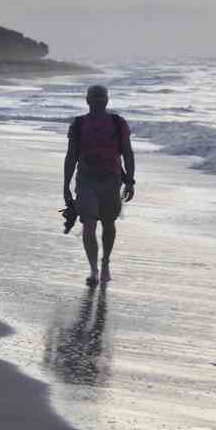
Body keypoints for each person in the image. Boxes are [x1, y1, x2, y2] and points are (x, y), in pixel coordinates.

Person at [63, 84, 135, 285]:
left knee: (108, 224)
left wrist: (130, 180)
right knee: (89, 225)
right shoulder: (78, 124)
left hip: (112, 181)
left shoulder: (118, 123)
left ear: (107, 99)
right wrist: (65, 185)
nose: (98, 100)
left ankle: (105, 263)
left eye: (101, 96)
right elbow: (71, 156)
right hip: (86, 181)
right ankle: (93, 269)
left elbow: (128, 152)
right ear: (87, 100)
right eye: (94, 96)